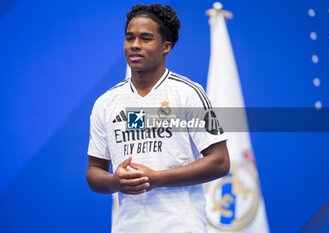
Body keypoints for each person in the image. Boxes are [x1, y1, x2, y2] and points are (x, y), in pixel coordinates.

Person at [86, 4, 230, 233]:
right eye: (129, 38)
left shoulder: (189, 93)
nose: (134, 45)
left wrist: (157, 178)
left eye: (145, 38)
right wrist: (115, 181)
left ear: (166, 46)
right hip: (126, 227)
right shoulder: (106, 103)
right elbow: (94, 171)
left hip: (181, 226)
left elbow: (220, 162)